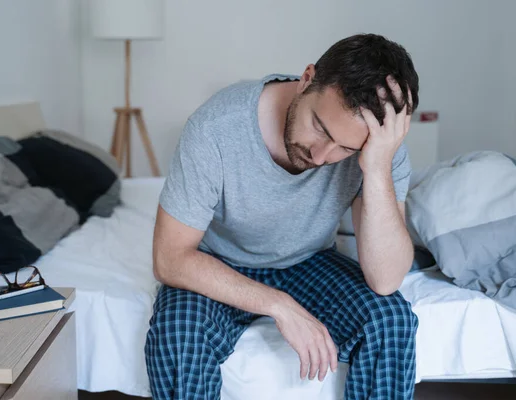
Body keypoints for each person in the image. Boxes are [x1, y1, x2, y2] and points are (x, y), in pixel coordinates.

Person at [145, 33, 420, 400]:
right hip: (217, 262)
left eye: (346, 148)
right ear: (307, 79)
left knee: (390, 322)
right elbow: (169, 259)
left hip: (308, 260)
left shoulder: (380, 149)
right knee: (178, 330)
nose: (322, 156)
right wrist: (278, 304)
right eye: (321, 128)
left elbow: (385, 280)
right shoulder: (215, 128)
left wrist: (377, 166)